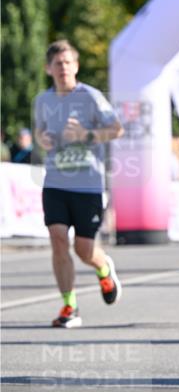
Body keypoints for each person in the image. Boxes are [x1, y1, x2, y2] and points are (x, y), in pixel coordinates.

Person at [33, 40, 123, 328]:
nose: (63, 69)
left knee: (84, 250)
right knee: (58, 241)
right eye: (57, 64)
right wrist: (42, 139)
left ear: (76, 66)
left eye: (68, 63)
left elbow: (116, 129)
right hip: (56, 183)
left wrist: (85, 135)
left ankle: (104, 267)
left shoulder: (91, 97)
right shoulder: (42, 100)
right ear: (49, 69)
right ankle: (69, 306)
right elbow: (39, 131)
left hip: (88, 186)